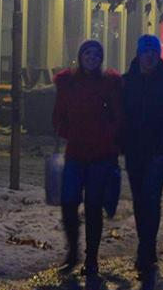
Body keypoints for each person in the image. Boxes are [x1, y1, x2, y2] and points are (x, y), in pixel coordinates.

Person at [52, 39, 123, 277]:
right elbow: (58, 115)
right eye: (88, 54)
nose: (91, 58)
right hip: (76, 153)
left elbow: (117, 116)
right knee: (69, 203)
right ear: (81, 56)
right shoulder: (69, 83)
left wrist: (109, 138)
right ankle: (73, 252)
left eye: (96, 55)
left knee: (93, 207)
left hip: (100, 154)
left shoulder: (108, 84)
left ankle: (91, 259)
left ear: (101, 59)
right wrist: (68, 131)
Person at [121, 34, 163, 274]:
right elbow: (120, 118)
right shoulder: (126, 82)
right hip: (134, 150)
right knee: (140, 200)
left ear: (157, 55)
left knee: (151, 197)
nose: (149, 56)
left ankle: (146, 246)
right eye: (145, 51)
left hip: (159, 150)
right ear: (139, 54)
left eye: (153, 52)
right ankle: (146, 243)